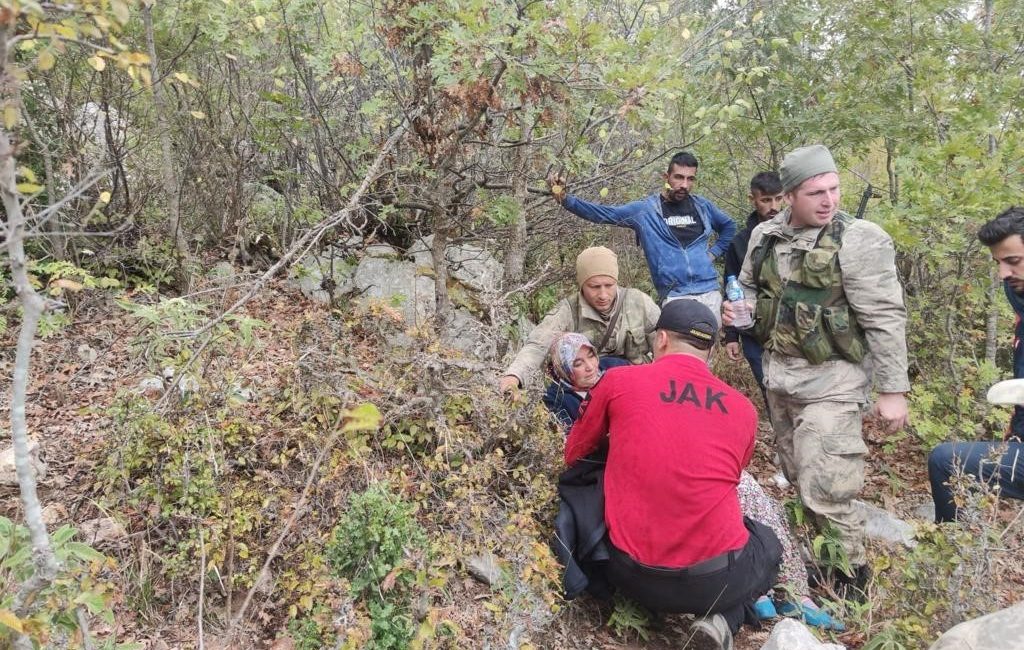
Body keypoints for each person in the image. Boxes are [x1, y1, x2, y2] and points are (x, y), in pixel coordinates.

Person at [725, 144, 910, 595]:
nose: (829, 200)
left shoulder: (860, 239)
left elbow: (884, 316)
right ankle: (822, 566)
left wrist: (893, 389)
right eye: (815, 192)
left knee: (827, 483)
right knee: (798, 475)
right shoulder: (765, 236)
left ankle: (851, 584)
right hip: (780, 377)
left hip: (835, 380)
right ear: (789, 196)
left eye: (834, 188)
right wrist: (738, 314)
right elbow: (748, 288)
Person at [565, 300, 782, 648]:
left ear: (661, 339)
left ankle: (711, 617)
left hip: (629, 573)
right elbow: (732, 477)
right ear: (710, 351)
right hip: (713, 580)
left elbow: (573, 452)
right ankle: (723, 619)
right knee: (767, 544)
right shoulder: (743, 410)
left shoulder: (619, 381)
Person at [549, 152, 736, 321]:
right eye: (679, 177)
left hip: (710, 292)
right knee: (680, 354)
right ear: (667, 177)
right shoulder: (645, 211)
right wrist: (565, 199)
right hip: (675, 295)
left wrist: (713, 253)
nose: (684, 185)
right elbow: (604, 214)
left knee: (705, 356)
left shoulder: (702, 206)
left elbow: (729, 226)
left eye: (690, 179)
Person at [928, 207, 1024, 522]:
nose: (1004, 275)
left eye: (1013, 262)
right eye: (999, 263)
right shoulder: (1017, 291)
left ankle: (950, 549)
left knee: (945, 460)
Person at [499, 246, 659, 392]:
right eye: (594, 287)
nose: (603, 295)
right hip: (589, 392)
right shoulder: (567, 310)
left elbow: (667, 343)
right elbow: (538, 345)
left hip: (638, 384)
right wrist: (515, 376)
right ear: (582, 285)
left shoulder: (640, 301)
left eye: (609, 285)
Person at [723, 172, 784, 399]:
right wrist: (731, 336)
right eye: (766, 200)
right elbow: (731, 287)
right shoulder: (740, 243)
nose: (773, 206)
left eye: (778, 199)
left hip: (791, 328)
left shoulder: (797, 234)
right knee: (770, 392)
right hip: (753, 332)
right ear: (753, 199)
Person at [542, 333, 629, 428]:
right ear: (565, 369)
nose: (590, 367)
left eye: (591, 356)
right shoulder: (555, 400)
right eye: (578, 364)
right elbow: (571, 438)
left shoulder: (616, 366)